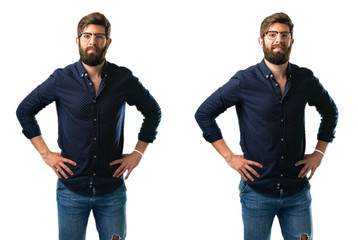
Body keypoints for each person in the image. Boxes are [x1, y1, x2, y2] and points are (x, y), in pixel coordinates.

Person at [16, 12, 161, 240]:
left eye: (99, 36)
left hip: (111, 189)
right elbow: (24, 110)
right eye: (86, 36)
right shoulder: (61, 79)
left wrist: (138, 152)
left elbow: (153, 112)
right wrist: (45, 154)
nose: (92, 42)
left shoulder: (123, 78)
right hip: (71, 189)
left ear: (108, 42)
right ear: (78, 40)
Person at [195, 12, 338, 240]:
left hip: (297, 191)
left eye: (284, 35)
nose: (278, 40)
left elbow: (330, 112)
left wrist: (320, 152)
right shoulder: (244, 81)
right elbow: (204, 114)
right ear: (261, 40)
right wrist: (230, 157)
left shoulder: (305, 79)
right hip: (256, 191)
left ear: (291, 41)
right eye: (272, 35)